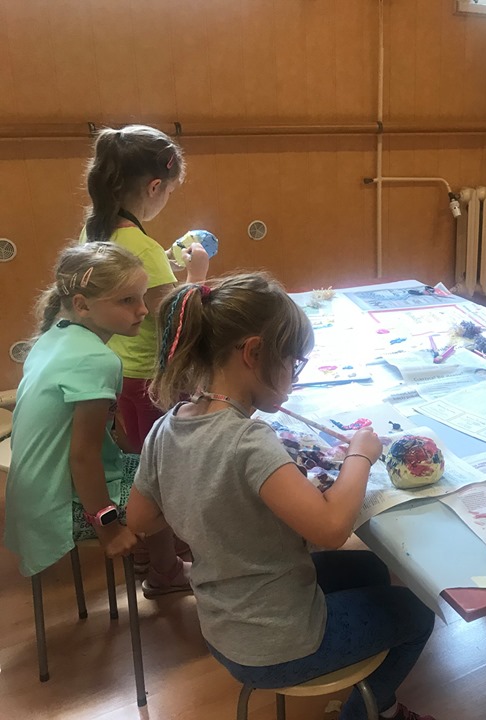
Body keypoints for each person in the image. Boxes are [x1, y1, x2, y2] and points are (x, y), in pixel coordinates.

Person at [125, 273, 438, 720]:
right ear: (253, 353)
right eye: (293, 363)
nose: (293, 376)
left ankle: (365, 682)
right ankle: (372, 712)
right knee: (418, 613)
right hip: (277, 643)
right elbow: (331, 529)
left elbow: (140, 519)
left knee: (370, 568)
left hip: (222, 624)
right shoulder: (248, 440)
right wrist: (360, 456)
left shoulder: (167, 425)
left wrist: (207, 503)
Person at [3, 243, 191, 597]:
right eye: (127, 301)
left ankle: (164, 567)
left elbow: (97, 440)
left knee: (158, 469)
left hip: (34, 496)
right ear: (82, 305)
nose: (143, 309)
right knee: (176, 483)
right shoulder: (96, 361)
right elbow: (83, 457)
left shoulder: (54, 335)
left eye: (141, 297)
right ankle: (168, 570)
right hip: (60, 503)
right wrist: (109, 528)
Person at [81, 124, 210, 450]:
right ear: (154, 187)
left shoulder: (94, 230)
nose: (167, 198)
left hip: (120, 369)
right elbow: (178, 318)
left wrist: (164, 261)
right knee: (168, 452)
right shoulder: (143, 249)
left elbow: (126, 283)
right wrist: (197, 275)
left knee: (141, 447)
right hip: (153, 377)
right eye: (169, 191)